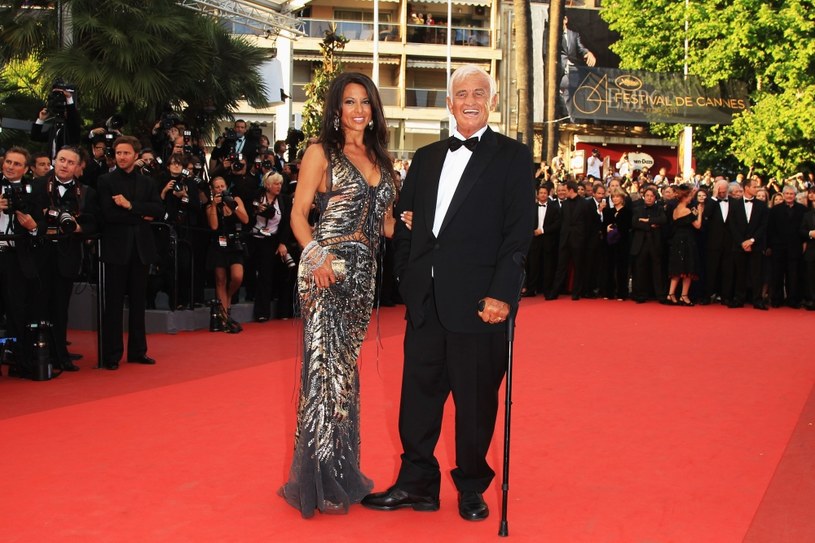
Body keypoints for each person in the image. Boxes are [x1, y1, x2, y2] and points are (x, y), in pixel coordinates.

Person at [361, 65, 533, 522]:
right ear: (449, 102)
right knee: (417, 400)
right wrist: (407, 276)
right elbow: (405, 222)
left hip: (481, 306)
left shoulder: (514, 158)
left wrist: (503, 294)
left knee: (475, 405)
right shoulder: (427, 155)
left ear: (492, 101)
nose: (470, 100)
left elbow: (518, 236)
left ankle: (472, 486)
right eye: (461, 93)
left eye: (480, 92)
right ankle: (418, 483)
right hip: (426, 301)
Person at [279, 72, 397, 518]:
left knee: (344, 376)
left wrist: (403, 216)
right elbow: (297, 213)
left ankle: (341, 473)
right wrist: (315, 259)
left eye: (365, 102)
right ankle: (316, 481)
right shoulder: (320, 152)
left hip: (364, 275)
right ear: (337, 109)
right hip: (325, 270)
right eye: (350, 102)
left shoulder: (382, 158)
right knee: (323, 372)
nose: (359, 110)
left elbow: (384, 225)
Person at [97, 136, 164, 370]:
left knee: (138, 303)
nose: (122, 157)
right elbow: (108, 215)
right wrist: (139, 215)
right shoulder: (105, 181)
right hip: (116, 250)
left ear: (136, 155)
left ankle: (138, 352)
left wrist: (130, 206)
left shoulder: (148, 183)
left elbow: (158, 210)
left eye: (126, 153)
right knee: (113, 304)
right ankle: (111, 355)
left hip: (142, 250)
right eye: (118, 153)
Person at [34, 146, 99, 371]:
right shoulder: (37, 186)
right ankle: (38, 353)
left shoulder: (86, 192)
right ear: (54, 160)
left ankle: (60, 354)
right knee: (38, 304)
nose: (64, 165)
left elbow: (94, 224)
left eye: (70, 162)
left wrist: (78, 226)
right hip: (39, 255)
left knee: (61, 308)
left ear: (78, 167)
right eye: (61, 160)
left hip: (68, 255)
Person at [205, 176, 249, 332]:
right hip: (218, 244)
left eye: (222, 185)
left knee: (237, 276)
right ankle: (224, 316)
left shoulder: (236, 199)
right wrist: (213, 205)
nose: (220, 189)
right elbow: (214, 226)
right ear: (212, 190)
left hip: (234, 244)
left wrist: (233, 205)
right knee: (220, 280)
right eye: (216, 187)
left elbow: (245, 220)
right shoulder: (210, 206)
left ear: (226, 186)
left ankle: (228, 298)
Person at [250, 172, 294, 321]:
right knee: (265, 275)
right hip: (258, 239)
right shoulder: (257, 196)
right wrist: (257, 209)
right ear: (268, 185)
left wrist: (283, 243)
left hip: (276, 239)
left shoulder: (284, 200)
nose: (279, 187)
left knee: (283, 274)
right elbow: (249, 215)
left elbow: (287, 223)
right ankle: (262, 313)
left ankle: (284, 312)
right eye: (276, 184)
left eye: (280, 184)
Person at [728, 176, 769, 309]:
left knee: (757, 273)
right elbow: (732, 225)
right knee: (740, 273)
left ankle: (757, 300)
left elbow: (763, 226)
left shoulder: (762, 206)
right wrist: (742, 242)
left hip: (756, 245)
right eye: (755, 187)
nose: (757, 189)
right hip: (739, 246)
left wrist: (751, 241)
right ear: (747, 188)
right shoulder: (734, 204)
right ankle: (739, 299)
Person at [665, 185, 703, 306]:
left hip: (677, 240)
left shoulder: (676, 210)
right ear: (685, 197)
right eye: (690, 196)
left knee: (677, 269)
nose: (691, 199)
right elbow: (697, 225)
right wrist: (700, 213)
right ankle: (684, 296)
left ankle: (670, 294)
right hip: (687, 241)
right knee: (688, 269)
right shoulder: (686, 210)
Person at [630, 186, 667, 303]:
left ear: (655, 198)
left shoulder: (660, 209)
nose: (649, 198)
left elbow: (663, 220)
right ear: (643, 196)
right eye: (647, 196)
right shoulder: (637, 209)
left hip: (655, 244)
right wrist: (651, 225)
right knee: (640, 270)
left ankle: (660, 296)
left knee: (657, 270)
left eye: (651, 196)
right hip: (641, 244)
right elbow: (635, 223)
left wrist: (646, 221)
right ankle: (641, 295)